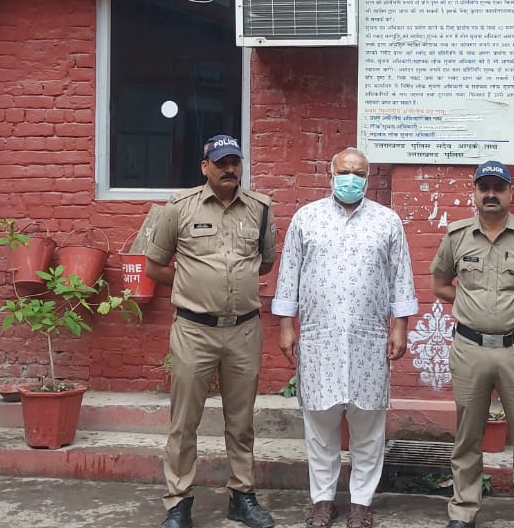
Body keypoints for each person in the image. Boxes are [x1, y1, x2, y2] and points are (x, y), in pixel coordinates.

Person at [273, 148, 418, 528]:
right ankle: (322, 501)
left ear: (367, 178)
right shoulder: (307, 219)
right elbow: (289, 273)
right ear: (331, 174)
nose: (351, 178)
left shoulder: (387, 222)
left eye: (358, 173)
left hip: (369, 338)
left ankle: (361, 503)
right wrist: (286, 325)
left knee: (368, 427)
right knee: (319, 426)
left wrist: (400, 326)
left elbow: (401, 276)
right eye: (344, 171)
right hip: (319, 338)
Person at [146, 134, 279, 528]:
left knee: (241, 421)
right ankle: (178, 503)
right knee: (184, 421)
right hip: (194, 330)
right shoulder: (180, 208)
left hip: (244, 331)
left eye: (235, 162)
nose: (229, 169)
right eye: (221, 163)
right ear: (205, 167)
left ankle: (242, 496)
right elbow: (154, 265)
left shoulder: (260, 209)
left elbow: (265, 263)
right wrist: (192, 284)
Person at [430, 160, 514, 528]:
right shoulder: (457, 236)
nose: (490, 194)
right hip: (470, 350)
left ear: (511, 193)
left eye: (498, 187)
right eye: (484, 187)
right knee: (467, 435)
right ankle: (463, 512)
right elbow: (439, 283)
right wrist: (468, 306)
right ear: (475, 193)